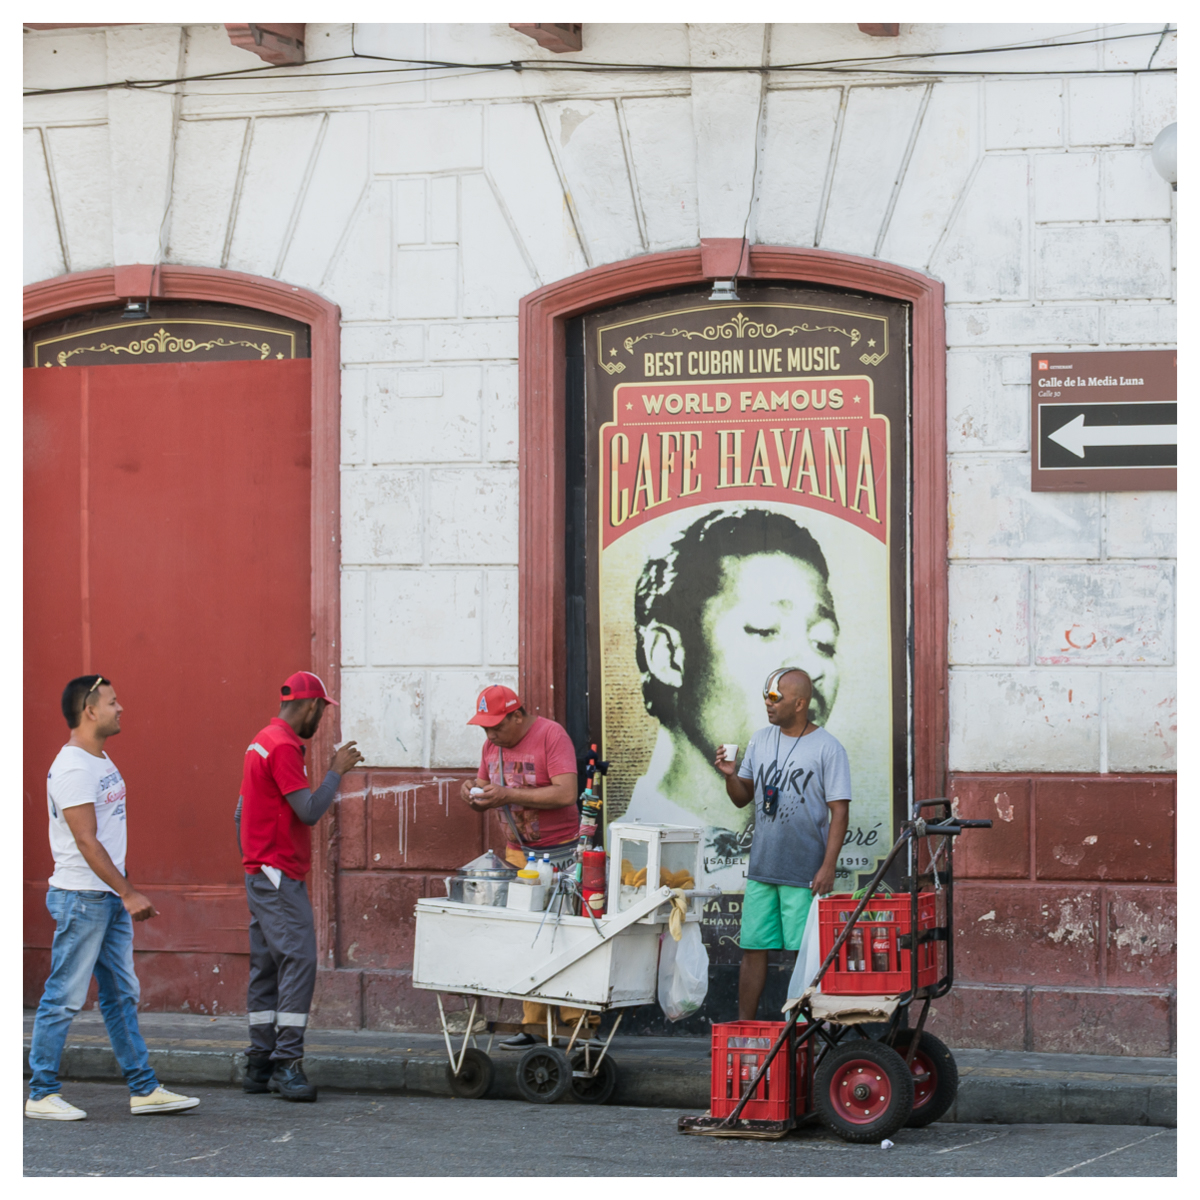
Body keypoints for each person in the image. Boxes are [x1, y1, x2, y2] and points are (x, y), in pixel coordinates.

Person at [624, 508, 842, 889]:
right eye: (765, 629)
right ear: (668, 655)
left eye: (823, 642)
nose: (810, 668)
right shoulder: (628, 855)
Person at [26, 676, 201, 1120]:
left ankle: (144, 1089)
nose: (120, 708)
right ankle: (41, 1093)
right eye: (112, 702)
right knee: (64, 996)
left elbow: (107, 834)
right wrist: (128, 892)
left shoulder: (98, 758)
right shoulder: (73, 768)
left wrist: (122, 886)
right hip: (83, 898)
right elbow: (86, 840)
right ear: (90, 711)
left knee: (121, 994)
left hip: (106, 896)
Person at [236, 671, 363, 1102]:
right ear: (311, 706)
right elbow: (308, 810)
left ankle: (259, 1062)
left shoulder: (260, 740)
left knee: (267, 965)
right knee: (299, 960)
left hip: (260, 873)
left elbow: (240, 813)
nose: (321, 720)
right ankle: (286, 1064)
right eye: (322, 712)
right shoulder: (285, 747)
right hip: (278, 875)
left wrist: (253, 861)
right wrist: (335, 772)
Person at [459, 684, 598, 1048]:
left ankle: (580, 1024)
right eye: (485, 728)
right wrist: (473, 793)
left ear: (517, 715)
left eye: (496, 727)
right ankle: (534, 1023)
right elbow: (485, 789)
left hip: (563, 854)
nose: (490, 735)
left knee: (569, 936)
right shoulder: (491, 747)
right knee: (527, 939)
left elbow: (566, 792)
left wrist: (506, 794)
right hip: (520, 854)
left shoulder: (551, 735)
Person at [715, 666, 850, 1019]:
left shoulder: (828, 748)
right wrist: (730, 776)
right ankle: (745, 1029)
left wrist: (828, 867)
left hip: (805, 873)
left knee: (804, 955)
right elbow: (742, 798)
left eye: (775, 697)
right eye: (766, 696)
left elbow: (840, 812)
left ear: (800, 703)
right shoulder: (760, 739)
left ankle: (804, 1032)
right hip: (763, 869)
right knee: (753, 949)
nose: (768, 703)